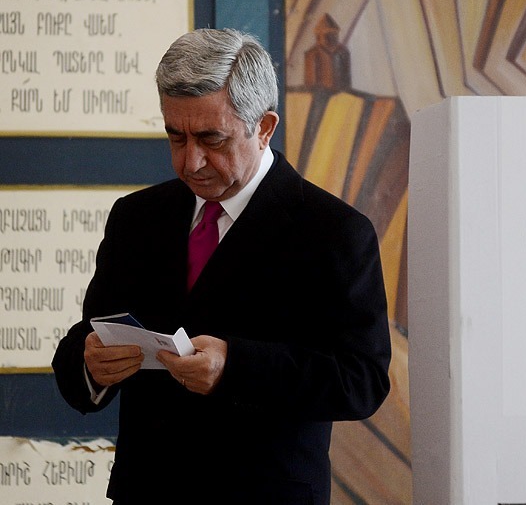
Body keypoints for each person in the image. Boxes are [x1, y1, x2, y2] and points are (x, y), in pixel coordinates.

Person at [51, 28, 392, 505]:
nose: (190, 162)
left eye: (212, 139)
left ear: (265, 127)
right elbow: (83, 342)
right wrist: (90, 364)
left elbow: (363, 381)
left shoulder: (335, 232)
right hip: (147, 491)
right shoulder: (136, 217)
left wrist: (237, 367)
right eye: (175, 137)